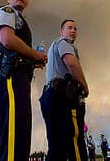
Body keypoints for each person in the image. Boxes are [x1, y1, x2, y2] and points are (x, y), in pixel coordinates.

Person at [0, 0, 48, 161]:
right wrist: (35, 54)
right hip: (11, 76)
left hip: (18, 78)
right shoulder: (7, 11)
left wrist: (33, 60)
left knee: (17, 134)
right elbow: (7, 39)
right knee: (14, 139)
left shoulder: (20, 20)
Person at [40, 19, 89, 161]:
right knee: (74, 140)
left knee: (56, 146)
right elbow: (72, 63)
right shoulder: (63, 42)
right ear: (62, 32)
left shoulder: (52, 47)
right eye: (69, 28)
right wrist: (84, 86)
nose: (73, 31)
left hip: (50, 96)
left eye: (75, 28)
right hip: (64, 96)